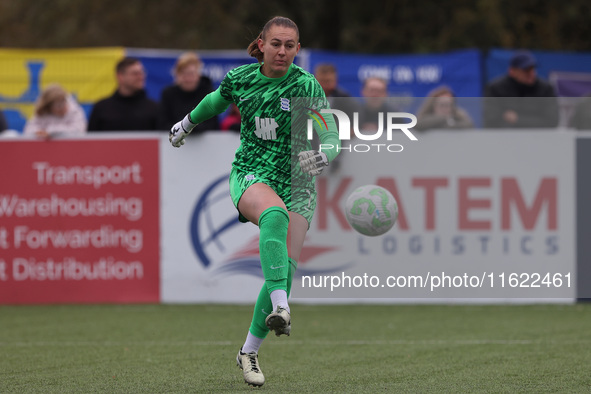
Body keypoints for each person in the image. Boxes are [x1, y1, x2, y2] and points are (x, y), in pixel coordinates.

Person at [168, 16, 340, 388]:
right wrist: (186, 124)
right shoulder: (241, 79)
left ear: (298, 48)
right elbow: (215, 102)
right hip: (252, 173)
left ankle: (248, 351)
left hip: (298, 183)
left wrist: (325, 154)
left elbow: (329, 131)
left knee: (285, 267)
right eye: (276, 43)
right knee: (273, 216)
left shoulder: (305, 84)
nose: (282, 51)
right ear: (261, 44)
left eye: (290, 45)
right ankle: (282, 306)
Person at [483, 50, 559, 128]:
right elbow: (491, 120)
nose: (532, 73)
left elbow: (552, 121)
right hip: (505, 138)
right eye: (526, 70)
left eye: (533, 69)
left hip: (537, 138)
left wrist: (517, 119)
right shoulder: (495, 88)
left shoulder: (546, 89)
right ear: (512, 71)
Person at [88, 57, 159, 131]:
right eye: (135, 74)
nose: (141, 77)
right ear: (120, 76)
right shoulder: (101, 108)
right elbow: (91, 140)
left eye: (142, 72)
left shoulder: (154, 108)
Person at [159, 52, 219, 133]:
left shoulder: (208, 94)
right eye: (184, 74)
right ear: (177, 75)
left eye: (191, 74)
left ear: (198, 75)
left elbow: (213, 124)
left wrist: (188, 127)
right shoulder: (168, 94)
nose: (188, 79)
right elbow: (163, 124)